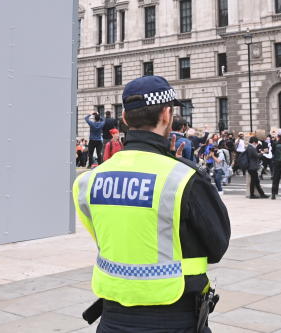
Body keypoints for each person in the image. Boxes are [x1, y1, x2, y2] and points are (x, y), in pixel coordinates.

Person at [72, 75, 230, 333]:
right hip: (174, 316)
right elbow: (217, 246)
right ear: (167, 115)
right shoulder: (184, 177)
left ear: (124, 119)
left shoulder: (89, 181)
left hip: (111, 317)